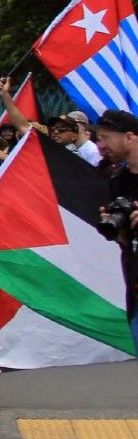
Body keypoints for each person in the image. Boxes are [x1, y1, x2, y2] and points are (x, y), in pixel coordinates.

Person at [91, 108, 138, 350]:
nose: (100, 145)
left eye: (105, 137)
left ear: (129, 137)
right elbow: (125, 240)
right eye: (98, 139)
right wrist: (116, 228)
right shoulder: (117, 180)